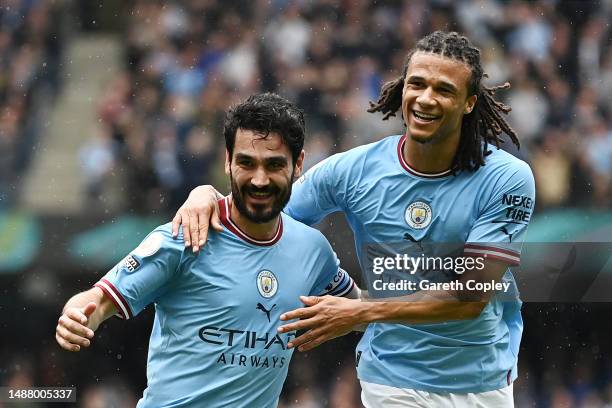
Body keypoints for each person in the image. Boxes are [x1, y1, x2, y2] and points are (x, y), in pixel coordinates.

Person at [172, 32, 536, 407]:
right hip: (391, 378)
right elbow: (263, 209)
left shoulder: (506, 178)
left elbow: (470, 296)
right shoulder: (354, 171)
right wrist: (208, 196)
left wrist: (360, 311)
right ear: (402, 88)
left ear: (468, 103)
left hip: (483, 378)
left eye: (443, 89)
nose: (426, 98)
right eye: (417, 84)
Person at [55, 93, 358, 407]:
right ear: (227, 161)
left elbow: (360, 309)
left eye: (274, 165)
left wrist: (405, 298)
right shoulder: (186, 236)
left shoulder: (313, 250)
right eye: (246, 162)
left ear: (298, 165)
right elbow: (99, 300)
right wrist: (77, 317)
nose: (259, 179)